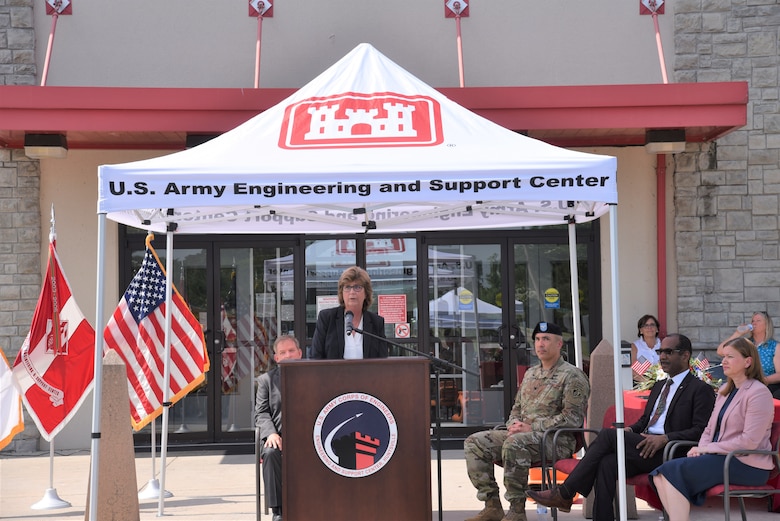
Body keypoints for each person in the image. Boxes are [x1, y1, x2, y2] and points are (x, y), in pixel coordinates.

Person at [528, 333, 716, 521]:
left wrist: (665, 438)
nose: (662, 356)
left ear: (685, 356)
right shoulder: (659, 386)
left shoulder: (700, 389)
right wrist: (631, 430)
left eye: (668, 352)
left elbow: (701, 431)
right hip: (644, 446)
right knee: (607, 462)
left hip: (670, 450)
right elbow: (645, 421)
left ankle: (566, 492)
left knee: (608, 436)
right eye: (660, 352)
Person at [463, 321, 590, 521]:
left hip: (556, 440)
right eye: (538, 339)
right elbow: (517, 409)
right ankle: (492, 505)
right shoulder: (531, 373)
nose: (540, 344)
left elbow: (572, 419)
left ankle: (516, 510)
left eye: (546, 339)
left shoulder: (573, 376)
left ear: (559, 344)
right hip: (525, 435)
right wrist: (513, 425)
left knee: (515, 443)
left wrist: (532, 427)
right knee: (475, 442)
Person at [650, 337, 774, 520]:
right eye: (723, 356)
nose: (723, 361)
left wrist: (708, 448)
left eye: (730, 357)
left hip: (748, 464)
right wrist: (701, 449)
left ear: (748, 361)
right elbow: (709, 429)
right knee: (659, 474)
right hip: (721, 458)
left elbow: (750, 441)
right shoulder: (725, 390)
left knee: (669, 472)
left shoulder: (759, 392)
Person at [254, 335, 303, 521]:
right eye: (283, 352)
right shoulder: (266, 380)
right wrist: (271, 433)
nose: (288, 355)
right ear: (277, 358)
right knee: (270, 452)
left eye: (291, 351)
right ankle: (279, 512)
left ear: (299, 353)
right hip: (279, 437)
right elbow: (261, 412)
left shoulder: (313, 375)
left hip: (309, 436)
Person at [310, 266, 388, 359]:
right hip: (332, 374)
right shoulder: (327, 318)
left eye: (357, 287)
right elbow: (315, 357)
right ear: (341, 293)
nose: (352, 292)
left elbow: (383, 361)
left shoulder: (376, 322)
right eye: (347, 287)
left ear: (366, 293)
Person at [718, 311, 780, 397]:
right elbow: (721, 351)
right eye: (752, 321)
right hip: (743, 385)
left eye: (758, 320)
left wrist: (760, 381)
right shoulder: (746, 344)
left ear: (767, 325)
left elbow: (779, 375)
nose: (754, 323)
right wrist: (738, 333)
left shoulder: (775, 346)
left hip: (766, 387)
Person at [632, 314, 662, 380]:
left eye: (652, 325)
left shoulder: (663, 345)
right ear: (641, 330)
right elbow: (633, 371)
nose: (649, 328)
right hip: (643, 385)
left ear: (657, 329)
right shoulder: (635, 347)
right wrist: (647, 383)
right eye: (646, 325)